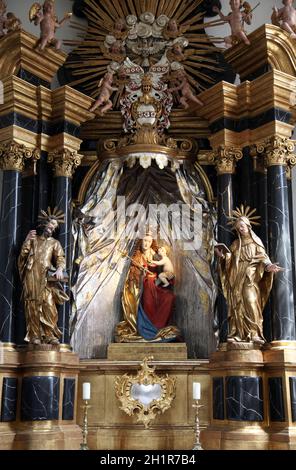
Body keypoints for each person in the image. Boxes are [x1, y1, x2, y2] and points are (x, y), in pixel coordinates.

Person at [215, 206, 283, 345]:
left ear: (248, 226)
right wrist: (223, 257)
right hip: (237, 276)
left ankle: (254, 333)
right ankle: (238, 333)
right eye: (238, 227)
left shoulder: (256, 242)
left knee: (251, 301)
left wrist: (269, 266)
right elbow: (229, 261)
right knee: (237, 304)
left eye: (242, 226)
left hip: (250, 277)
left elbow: (263, 258)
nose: (240, 229)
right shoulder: (235, 244)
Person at [18, 207, 69, 345]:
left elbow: (60, 258)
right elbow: (23, 255)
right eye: (51, 224)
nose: (52, 227)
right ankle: (34, 335)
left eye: (55, 226)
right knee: (32, 304)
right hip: (32, 275)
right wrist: (27, 240)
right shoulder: (34, 239)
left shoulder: (54, 243)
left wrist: (59, 269)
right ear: (45, 223)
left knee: (48, 304)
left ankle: (49, 334)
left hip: (46, 278)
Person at [116, 232, 179, 342]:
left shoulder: (155, 254)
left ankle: (157, 326)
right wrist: (142, 272)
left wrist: (160, 276)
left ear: (151, 243)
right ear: (141, 241)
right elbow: (132, 276)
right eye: (145, 240)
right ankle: (147, 326)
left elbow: (163, 270)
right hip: (143, 285)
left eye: (149, 241)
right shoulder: (137, 256)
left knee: (169, 297)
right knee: (148, 291)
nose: (146, 243)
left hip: (156, 283)